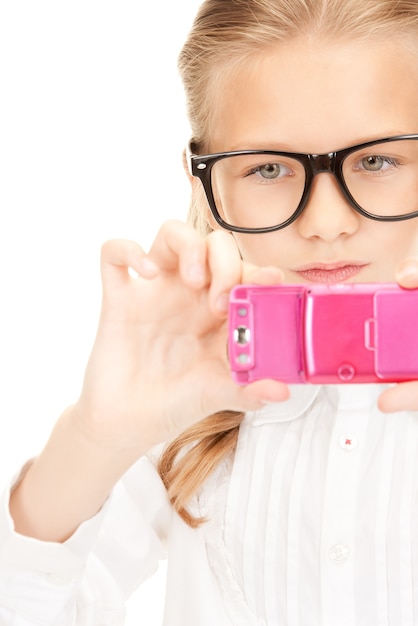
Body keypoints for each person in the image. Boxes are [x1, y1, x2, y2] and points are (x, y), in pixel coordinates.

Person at [1, 0, 418, 623]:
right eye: (270, 168)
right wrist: (92, 437)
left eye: (377, 160)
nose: (327, 223)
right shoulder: (190, 406)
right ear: (207, 185)